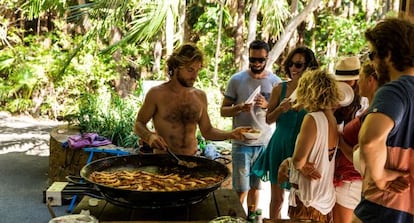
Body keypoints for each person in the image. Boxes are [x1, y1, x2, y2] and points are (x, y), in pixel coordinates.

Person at [134, 43, 250, 156]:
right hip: (164, 161)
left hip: (193, 162)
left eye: (197, 70)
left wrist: (231, 134)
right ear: (175, 67)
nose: (195, 76)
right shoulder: (156, 94)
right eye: (190, 70)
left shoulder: (200, 96)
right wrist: (149, 137)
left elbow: (207, 131)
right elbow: (139, 124)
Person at [352, 17, 413, 223]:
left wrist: (380, 177)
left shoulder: (396, 90)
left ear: (387, 54)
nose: (372, 63)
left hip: (384, 209)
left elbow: (370, 139)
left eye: (372, 55)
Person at [251, 46, 319, 219]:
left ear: (309, 67)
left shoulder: (314, 92)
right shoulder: (279, 89)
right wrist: (281, 108)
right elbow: (268, 119)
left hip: (302, 148)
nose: (294, 69)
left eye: (299, 65)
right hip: (280, 145)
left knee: (300, 199)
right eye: (292, 64)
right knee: (277, 198)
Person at [220, 40, 282, 215]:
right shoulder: (236, 80)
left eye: (260, 60)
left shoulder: (275, 82)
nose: (256, 64)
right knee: (240, 189)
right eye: (252, 60)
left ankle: (251, 218)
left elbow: (279, 113)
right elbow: (223, 111)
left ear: (267, 58)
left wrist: (267, 105)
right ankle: (238, 218)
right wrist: (239, 107)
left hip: (264, 143)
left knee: (256, 188)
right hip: (241, 143)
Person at [279, 69, 342, 223]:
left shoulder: (312, 118)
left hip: (308, 198)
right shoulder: (331, 119)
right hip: (324, 197)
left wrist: (297, 164)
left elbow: (299, 160)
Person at [333, 62, 389, 223]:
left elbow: (364, 153)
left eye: (360, 79)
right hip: (352, 179)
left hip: (352, 180)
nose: (358, 83)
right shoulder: (376, 110)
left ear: (370, 80)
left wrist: (340, 140)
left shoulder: (373, 114)